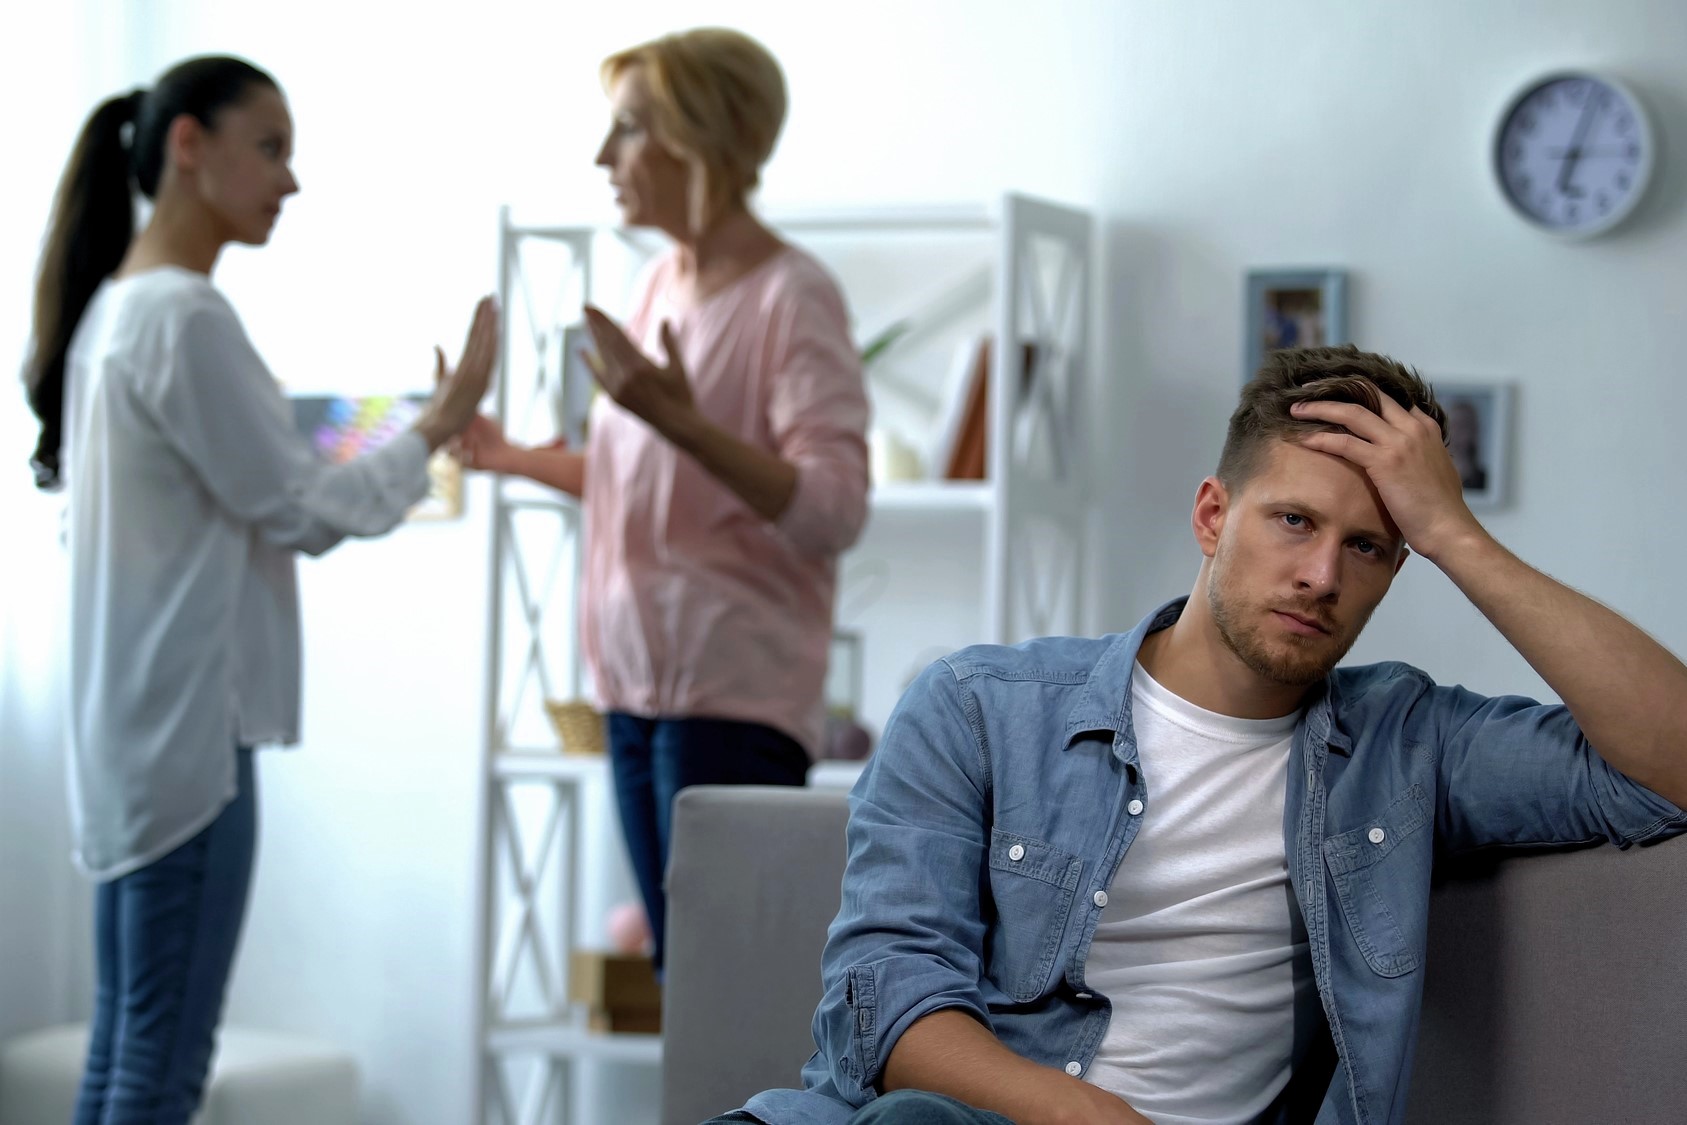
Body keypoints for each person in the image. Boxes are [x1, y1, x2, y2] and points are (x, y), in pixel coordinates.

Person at [716, 344, 1687, 1125]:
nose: (1320, 574)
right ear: (1213, 515)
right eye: (1293, 521)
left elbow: (1670, 765)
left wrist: (1456, 536)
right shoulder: (978, 706)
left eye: (1368, 546)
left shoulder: (1407, 745)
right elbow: (888, 992)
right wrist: (1084, 1115)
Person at [22, 55, 498, 1125]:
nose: (292, 182)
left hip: (131, 741)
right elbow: (302, 509)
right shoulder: (184, 320)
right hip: (188, 747)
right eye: (272, 148)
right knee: (162, 1065)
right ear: (188, 145)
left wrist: (417, 425)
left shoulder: (116, 314)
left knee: (127, 1051)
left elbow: (268, 484)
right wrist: (440, 416)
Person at [457, 27, 870, 974]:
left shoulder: (790, 295)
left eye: (630, 129)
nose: (606, 156)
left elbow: (833, 507)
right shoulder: (654, 287)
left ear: (703, 140)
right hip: (632, 693)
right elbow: (638, 482)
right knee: (683, 980)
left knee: (722, 989)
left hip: (728, 698)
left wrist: (682, 422)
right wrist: (510, 456)